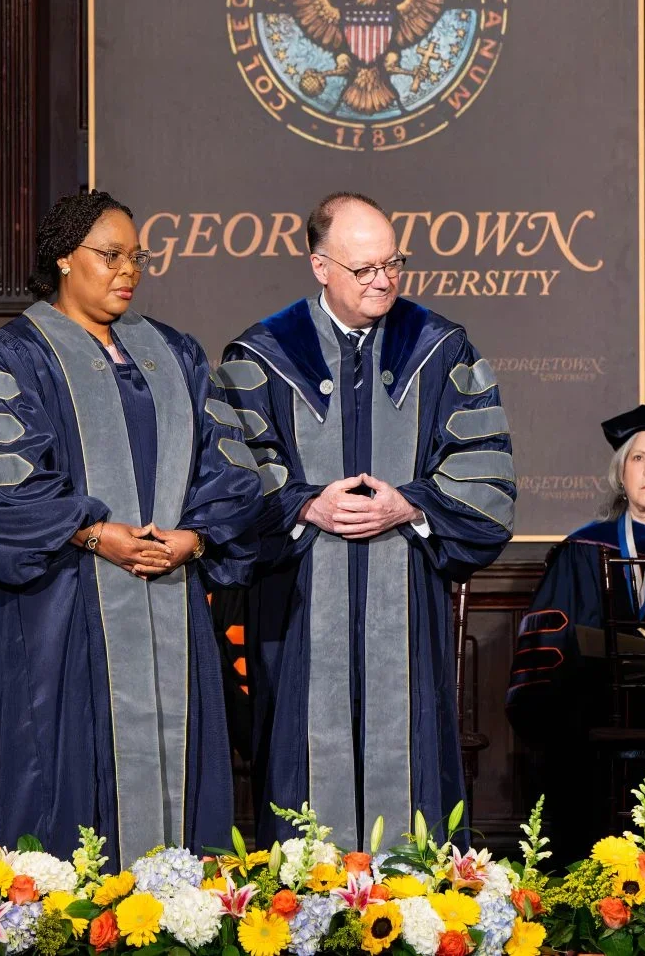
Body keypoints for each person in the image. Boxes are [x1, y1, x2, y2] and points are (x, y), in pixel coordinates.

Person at [0, 188, 261, 864]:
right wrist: (95, 534)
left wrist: (193, 537)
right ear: (63, 258)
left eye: (137, 257)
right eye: (110, 255)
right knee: (67, 794)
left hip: (170, 609)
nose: (129, 271)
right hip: (62, 619)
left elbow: (230, 471)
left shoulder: (174, 352)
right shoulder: (10, 358)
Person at [218, 192, 516, 847]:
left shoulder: (440, 351)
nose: (383, 279)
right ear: (320, 266)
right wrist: (303, 501)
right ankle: (302, 918)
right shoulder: (262, 354)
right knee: (301, 774)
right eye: (364, 268)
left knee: (409, 777)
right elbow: (232, 477)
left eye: (393, 263)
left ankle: (416, 920)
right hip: (296, 612)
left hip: (405, 609)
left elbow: (484, 476)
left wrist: (411, 503)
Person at [506, 406, 645, 850]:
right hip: (601, 704)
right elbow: (546, 650)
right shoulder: (583, 547)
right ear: (621, 475)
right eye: (637, 459)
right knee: (571, 730)